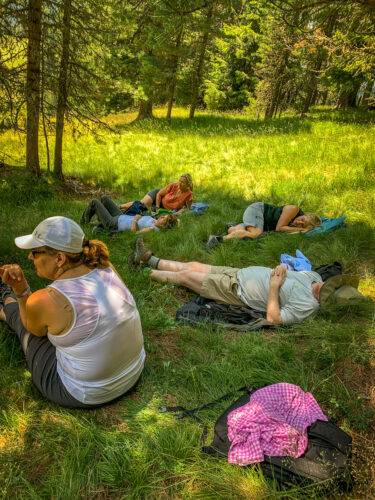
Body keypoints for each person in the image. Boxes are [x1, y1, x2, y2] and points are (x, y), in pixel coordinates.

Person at [0, 216, 145, 408]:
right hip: (132, 372)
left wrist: (21, 289)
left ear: (60, 258)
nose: (29, 257)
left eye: (35, 252)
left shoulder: (46, 299)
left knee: (27, 327)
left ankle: (6, 299)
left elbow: (32, 329)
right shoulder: (105, 267)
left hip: (83, 393)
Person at [129, 237, 364, 326]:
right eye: (330, 284)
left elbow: (274, 318)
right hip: (241, 272)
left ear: (325, 303)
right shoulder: (315, 277)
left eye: (325, 293)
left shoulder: (308, 307)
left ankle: (143, 271)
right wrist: (282, 268)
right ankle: (150, 259)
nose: (322, 286)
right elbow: (290, 272)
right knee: (193, 265)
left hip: (238, 291)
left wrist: (273, 287)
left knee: (185, 277)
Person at [206, 202, 322, 250]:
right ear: (305, 215)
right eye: (302, 220)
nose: (299, 223)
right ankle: (218, 240)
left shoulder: (297, 225)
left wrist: (304, 230)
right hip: (258, 210)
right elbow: (279, 228)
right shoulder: (294, 209)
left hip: (259, 220)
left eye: (302, 225)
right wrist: (302, 229)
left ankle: (233, 227)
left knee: (235, 232)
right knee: (256, 234)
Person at [81, 195, 178, 233]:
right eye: (163, 216)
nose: (161, 216)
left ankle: (83, 223)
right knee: (105, 198)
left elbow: (134, 234)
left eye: (163, 218)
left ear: (164, 225)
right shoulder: (155, 221)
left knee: (94, 202)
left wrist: (135, 220)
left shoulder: (152, 228)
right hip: (120, 216)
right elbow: (177, 220)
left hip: (114, 224)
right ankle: (99, 221)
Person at [120, 174, 194, 215]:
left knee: (140, 209)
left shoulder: (189, 194)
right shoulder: (173, 185)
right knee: (142, 204)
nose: (179, 184)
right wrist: (157, 208)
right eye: (179, 181)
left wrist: (180, 211)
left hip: (164, 208)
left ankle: (122, 212)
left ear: (188, 185)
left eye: (183, 182)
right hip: (157, 196)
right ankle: (120, 207)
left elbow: (187, 208)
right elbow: (159, 194)